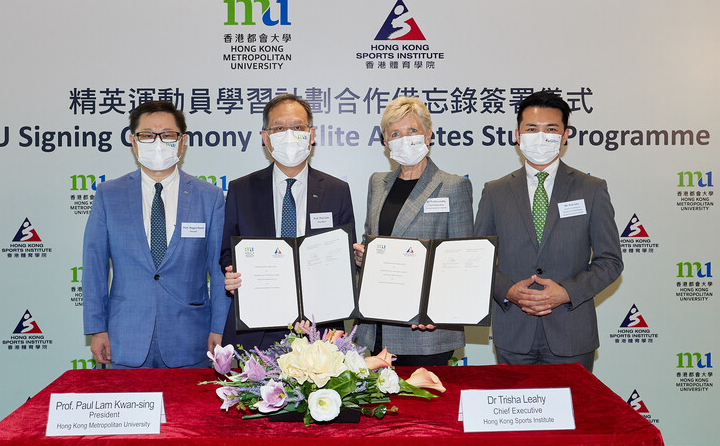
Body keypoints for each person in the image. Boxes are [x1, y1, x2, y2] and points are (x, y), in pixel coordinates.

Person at [474, 91, 623, 372]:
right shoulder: (495, 191)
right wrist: (509, 291)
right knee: (516, 414)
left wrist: (566, 292)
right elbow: (477, 259)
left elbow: (610, 262)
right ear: (517, 135)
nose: (541, 137)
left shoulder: (591, 189)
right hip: (514, 333)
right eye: (532, 129)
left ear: (565, 135)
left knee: (573, 415)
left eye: (551, 129)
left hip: (572, 334)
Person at [83, 100, 228, 368]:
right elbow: (94, 267)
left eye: (168, 135)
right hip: (123, 338)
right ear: (133, 142)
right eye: (148, 135)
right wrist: (96, 328)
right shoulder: (108, 195)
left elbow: (220, 271)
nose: (158, 142)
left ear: (182, 142)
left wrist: (219, 328)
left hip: (191, 339)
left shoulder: (210, 197)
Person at [220, 93, 356, 350]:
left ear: (312, 134)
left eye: (298, 127)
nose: (290, 135)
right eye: (280, 128)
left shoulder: (337, 190)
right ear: (266, 138)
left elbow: (345, 257)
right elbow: (228, 251)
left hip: (319, 329)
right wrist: (231, 273)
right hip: (255, 327)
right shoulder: (242, 189)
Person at [352, 96, 474, 366]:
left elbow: (463, 263)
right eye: (395, 133)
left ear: (428, 135)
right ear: (385, 143)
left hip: (425, 330)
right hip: (377, 325)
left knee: (424, 408)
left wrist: (437, 312)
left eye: (412, 131)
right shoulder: (378, 183)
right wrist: (363, 257)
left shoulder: (453, 186)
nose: (403, 139)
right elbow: (371, 238)